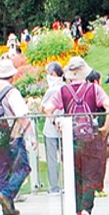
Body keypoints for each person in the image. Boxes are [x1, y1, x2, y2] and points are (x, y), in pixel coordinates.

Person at [47, 56, 109, 215]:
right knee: (90, 174)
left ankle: (76, 210)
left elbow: (47, 109)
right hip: (90, 139)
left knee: (75, 175)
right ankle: (86, 211)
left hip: (71, 139)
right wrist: (105, 127)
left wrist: (56, 123)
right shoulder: (94, 89)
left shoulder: (62, 91)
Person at [0, 57, 33, 215]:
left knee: (2, 172)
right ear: (12, 76)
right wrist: (31, 135)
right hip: (13, 136)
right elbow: (22, 116)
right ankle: (6, 195)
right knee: (23, 168)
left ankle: (7, 208)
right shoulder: (12, 92)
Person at [40, 61, 66, 194]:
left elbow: (43, 108)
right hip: (65, 127)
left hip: (51, 129)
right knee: (66, 158)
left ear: (54, 74)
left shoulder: (52, 90)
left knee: (52, 159)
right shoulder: (67, 88)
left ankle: (54, 187)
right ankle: (69, 184)